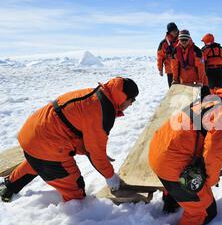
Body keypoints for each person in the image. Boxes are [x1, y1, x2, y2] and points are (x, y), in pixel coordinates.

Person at [0, 77, 139, 203]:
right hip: (48, 144)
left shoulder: (97, 95)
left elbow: (76, 130)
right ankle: (72, 213)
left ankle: (9, 186)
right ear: (123, 97)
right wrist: (110, 176)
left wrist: (94, 150)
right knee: (75, 193)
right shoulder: (104, 111)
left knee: (37, 160)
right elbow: (95, 153)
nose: (132, 104)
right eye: (132, 100)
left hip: (31, 136)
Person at [148, 85, 222, 225]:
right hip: (172, 165)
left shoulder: (210, 101)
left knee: (189, 177)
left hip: (157, 153)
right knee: (205, 212)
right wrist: (207, 182)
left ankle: (171, 200)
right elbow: (214, 154)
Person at [157, 22, 179, 87]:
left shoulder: (182, 39)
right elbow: (160, 57)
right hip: (170, 70)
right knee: (173, 90)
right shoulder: (163, 43)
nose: (175, 32)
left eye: (176, 30)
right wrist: (160, 69)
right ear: (169, 32)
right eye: (173, 31)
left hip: (182, 69)